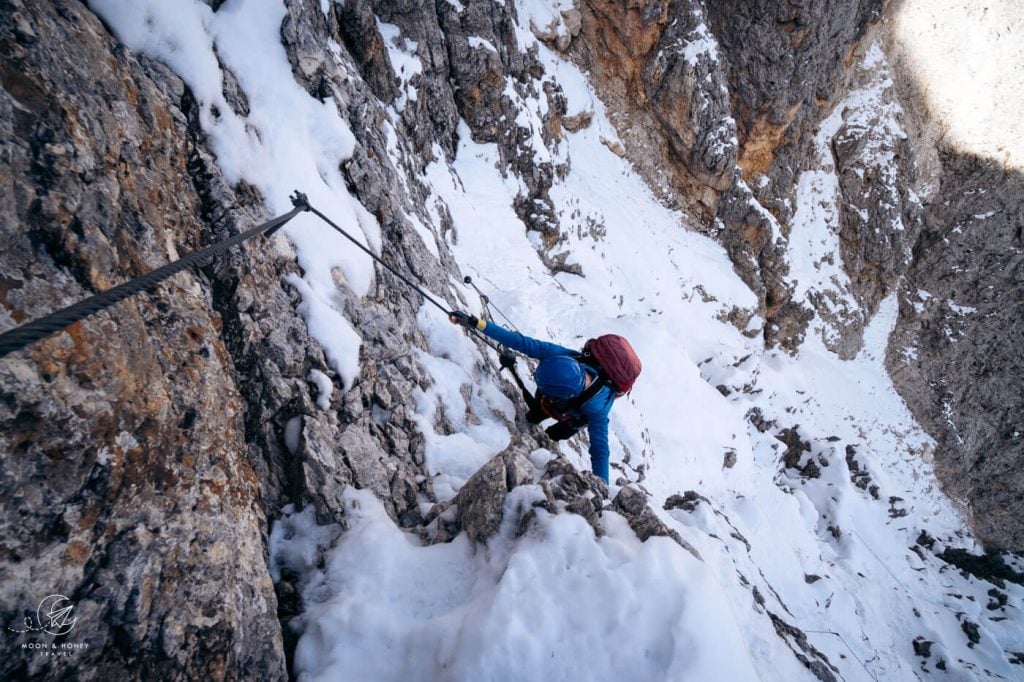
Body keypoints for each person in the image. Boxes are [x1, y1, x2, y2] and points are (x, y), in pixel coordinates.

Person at [449, 312, 628, 483]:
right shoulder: (559, 354)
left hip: (572, 418)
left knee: (554, 436)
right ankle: (536, 419)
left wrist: (602, 488)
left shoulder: (598, 407)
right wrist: (475, 322)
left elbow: (600, 450)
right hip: (549, 402)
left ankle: (546, 440)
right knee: (536, 413)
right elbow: (521, 342)